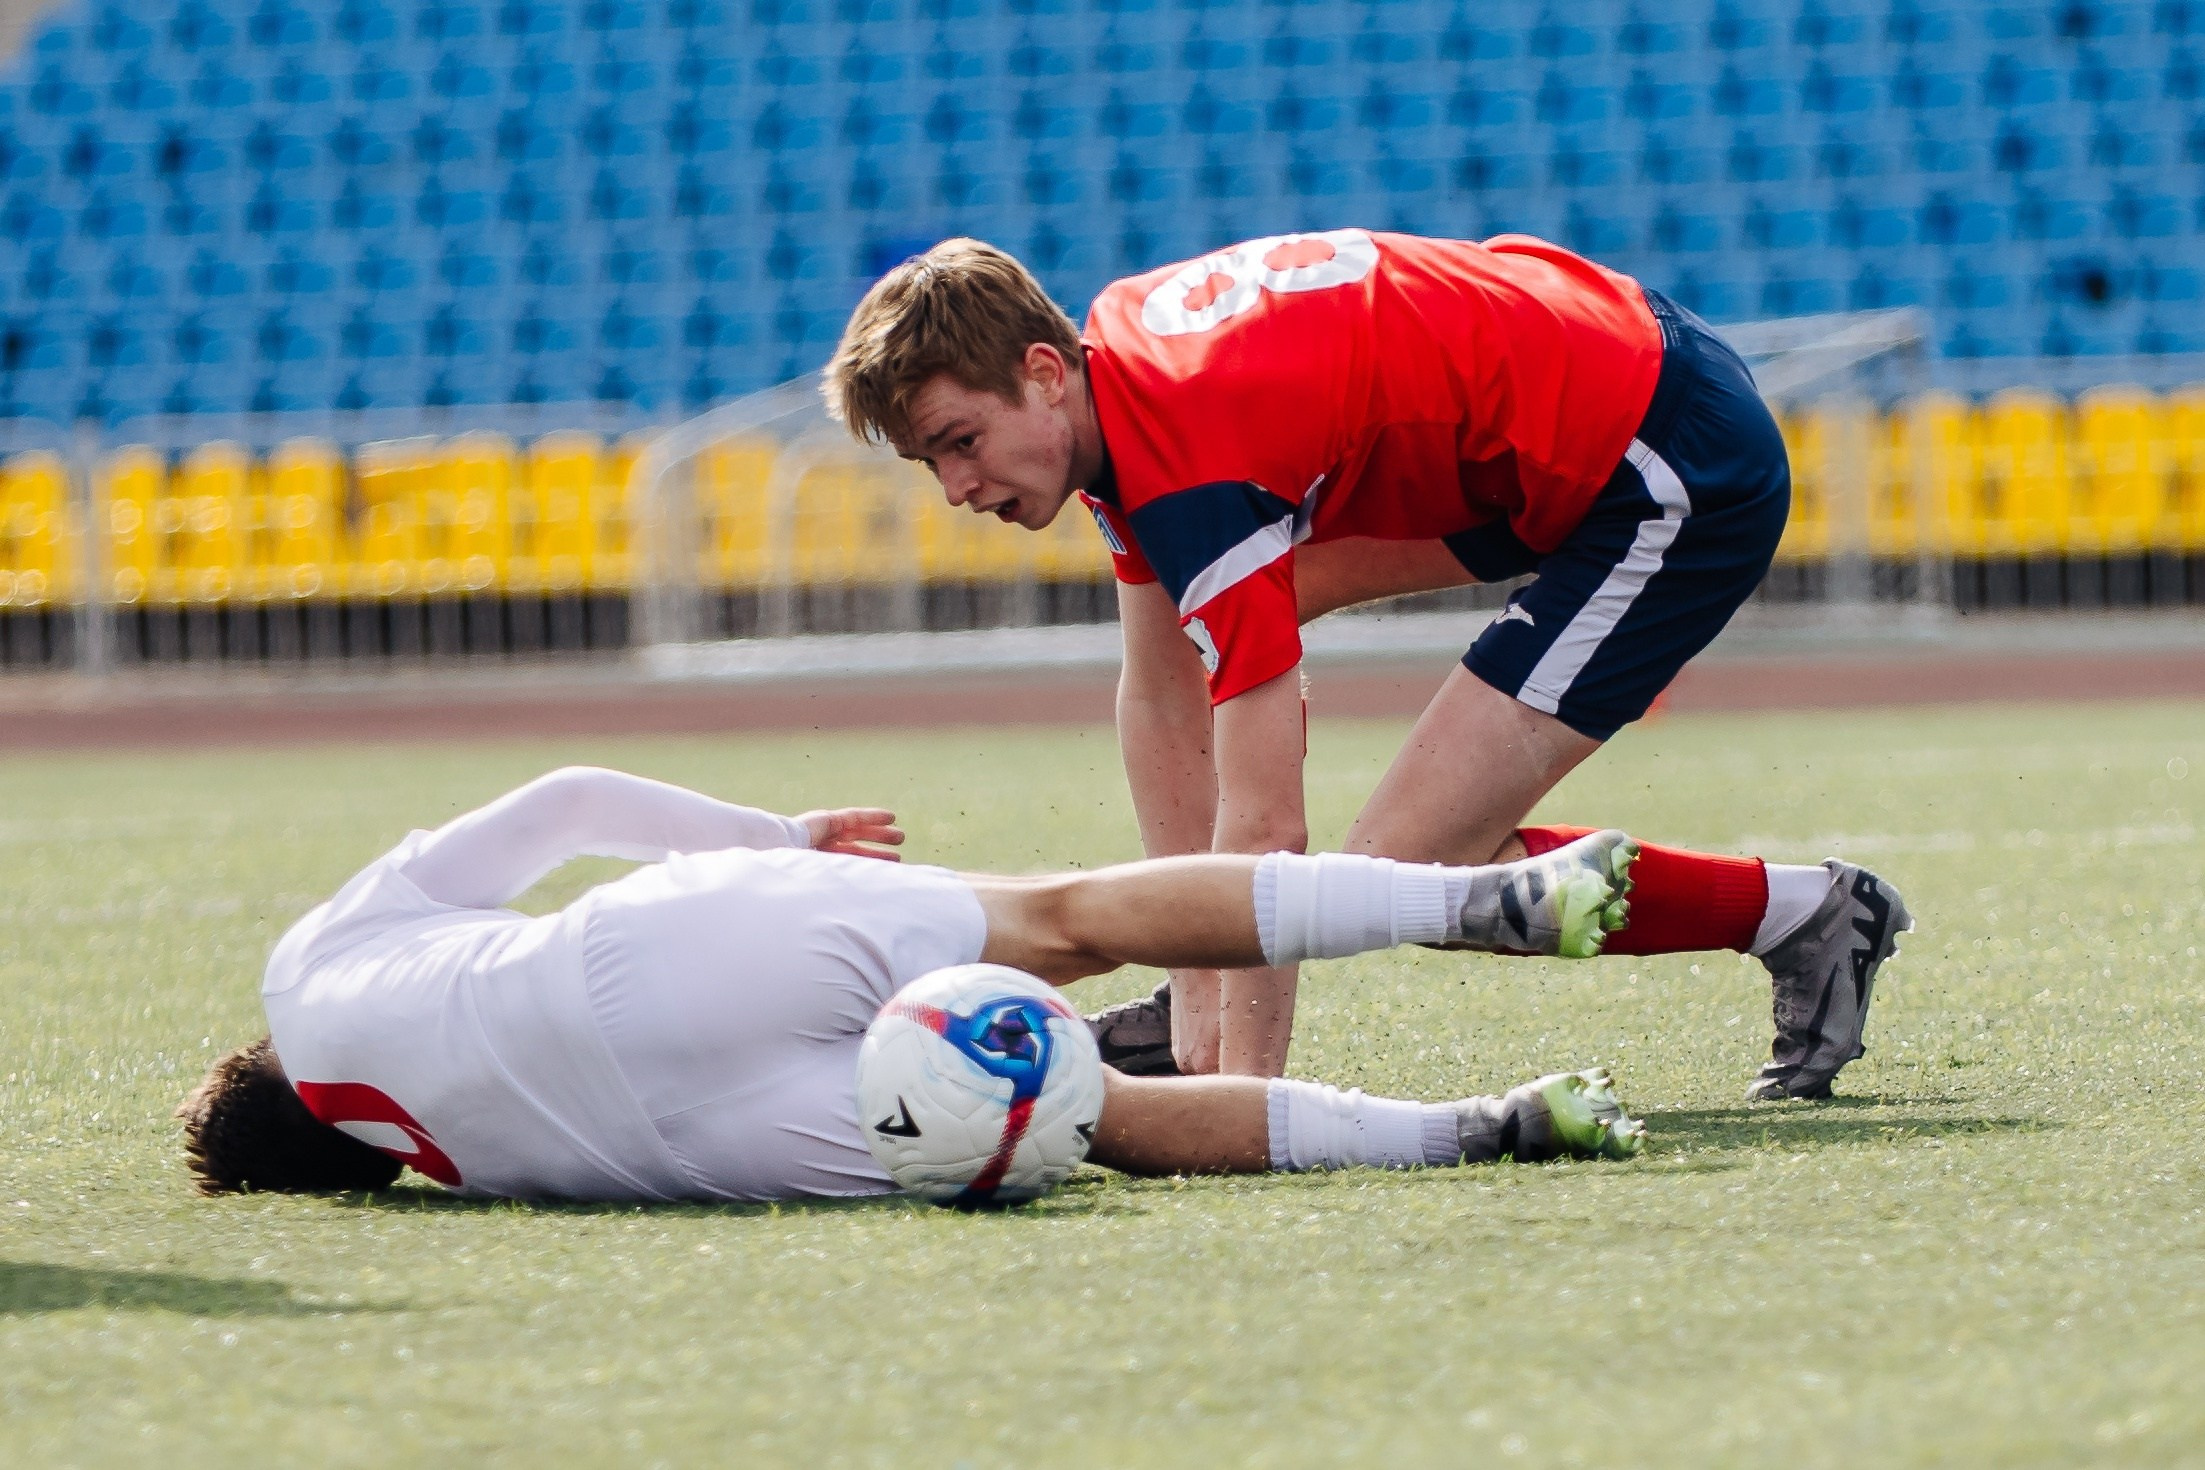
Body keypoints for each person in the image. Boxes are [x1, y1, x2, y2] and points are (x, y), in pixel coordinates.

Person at [823, 231, 1914, 1099]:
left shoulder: (1192, 461)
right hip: (1589, 381)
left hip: (1667, 461)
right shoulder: (1122, 382)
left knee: (1404, 868)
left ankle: (1803, 913)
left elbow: (1263, 836)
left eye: (960, 442)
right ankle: (1191, 1005)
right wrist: (1193, 974)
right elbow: (1161, 700)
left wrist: (1234, 1090)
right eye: (932, 462)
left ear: (1044, 373)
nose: (956, 488)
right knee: (1235, 687)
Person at [178, 766, 1647, 1204]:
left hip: (685, 1140)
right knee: (1068, 917)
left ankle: (1484, 1127)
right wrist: (777, 840)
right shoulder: (307, 974)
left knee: (1098, 1112)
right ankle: (1482, 897)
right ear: (261, 1063)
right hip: (633, 951)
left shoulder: (441, 1173)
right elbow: (564, 802)